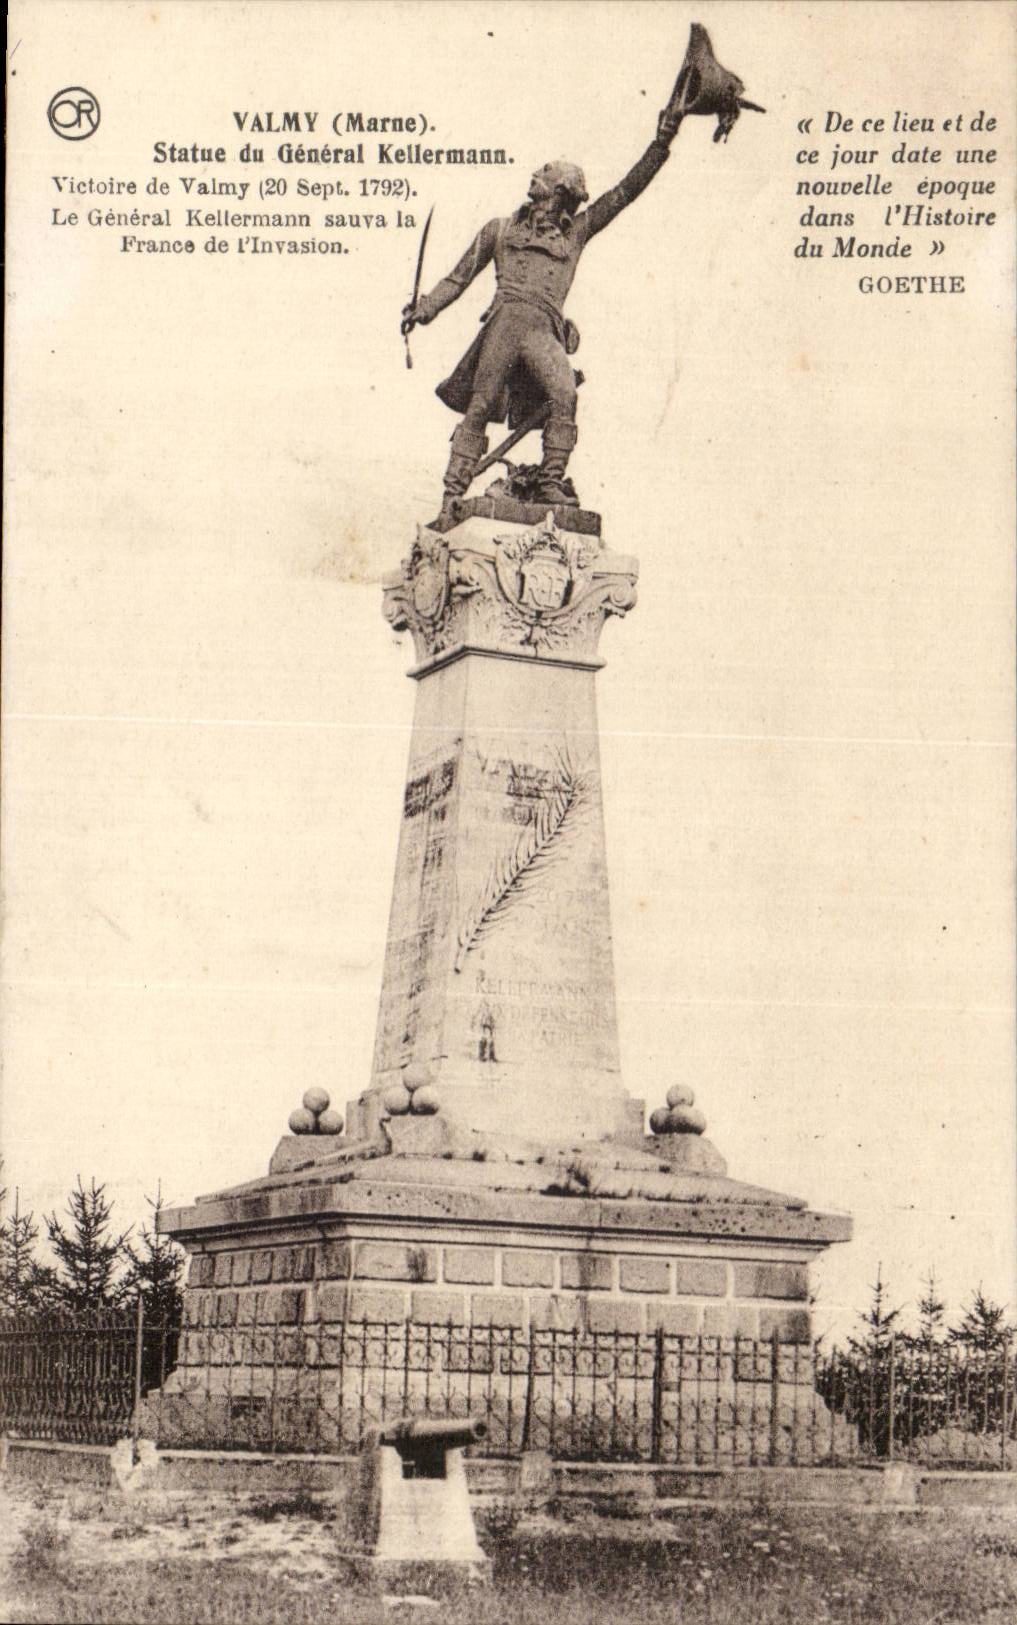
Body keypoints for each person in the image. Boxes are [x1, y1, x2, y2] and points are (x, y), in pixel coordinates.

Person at [401, 106, 684, 513]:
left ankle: (550, 482)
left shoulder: (578, 233)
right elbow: (457, 279)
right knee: (479, 407)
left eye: (550, 179)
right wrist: (424, 309)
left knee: (565, 395)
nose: (539, 179)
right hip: (503, 326)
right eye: (548, 182)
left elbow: (623, 193)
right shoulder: (498, 230)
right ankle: (452, 495)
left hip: (541, 333)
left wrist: (662, 141)